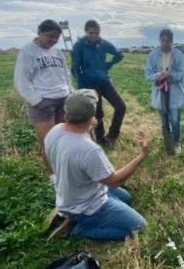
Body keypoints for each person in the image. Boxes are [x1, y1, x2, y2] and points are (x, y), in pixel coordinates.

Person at [45, 89, 150, 241]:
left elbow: (68, 144)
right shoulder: (89, 149)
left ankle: (73, 216)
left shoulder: (55, 131)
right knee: (141, 229)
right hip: (88, 207)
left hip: (72, 196)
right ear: (92, 115)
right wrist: (142, 155)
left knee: (126, 197)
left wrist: (87, 127)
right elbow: (115, 181)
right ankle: (79, 229)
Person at [14, 19, 73, 176]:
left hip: (63, 100)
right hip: (43, 103)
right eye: (50, 36)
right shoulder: (28, 52)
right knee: (49, 143)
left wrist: (70, 92)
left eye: (56, 38)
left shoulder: (58, 52)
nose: (53, 40)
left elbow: (66, 74)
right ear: (39, 33)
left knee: (63, 140)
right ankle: (53, 178)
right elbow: (22, 81)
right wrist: (38, 101)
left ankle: (65, 171)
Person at [72, 20, 126, 147]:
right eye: (91, 33)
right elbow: (75, 67)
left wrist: (108, 64)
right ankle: (101, 139)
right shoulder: (79, 45)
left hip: (104, 80)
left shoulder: (104, 44)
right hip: (88, 82)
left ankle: (112, 136)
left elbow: (119, 55)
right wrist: (81, 85)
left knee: (121, 107)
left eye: (96, 33)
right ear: (86, 32)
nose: (94, 35)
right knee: (98, 112)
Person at [145, 29, 184, 155]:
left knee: (175, 119)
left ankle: (176, 142)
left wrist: (171, 75)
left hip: (175, 90)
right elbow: (148, 75)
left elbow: (181, 73)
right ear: (160, 41)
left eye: (168, 41)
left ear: (172, 41)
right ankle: (168, 142)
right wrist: (160, 75)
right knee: (164, 119)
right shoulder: (153, 55)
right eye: (163, 41)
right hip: (160, 92)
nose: (165, 43)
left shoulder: (178, 54)